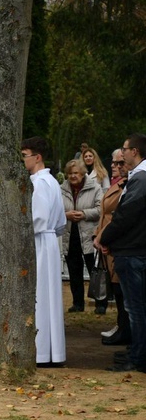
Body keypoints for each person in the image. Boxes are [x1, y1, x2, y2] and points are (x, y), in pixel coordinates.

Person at [97, 133, 146, 372]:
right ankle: (137, 351)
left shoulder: (141, 179)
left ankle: (138, 358)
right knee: (136, 307)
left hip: (134, 251)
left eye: (125, 150)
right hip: (131, 248)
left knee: (136, 309)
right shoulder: (137, 178)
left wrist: (105, 237)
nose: (121, 154)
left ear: (134, 151)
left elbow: (126, 215)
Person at [21, 137, 67, 366]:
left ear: (37, 157)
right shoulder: (52, 181)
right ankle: (52, 351)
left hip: (38, 241)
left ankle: (41, 352)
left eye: (25, 155)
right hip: (49, 241)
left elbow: (36, 219)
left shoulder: (38, 183)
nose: (23, 160)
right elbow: (60, 221)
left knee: (39, 295)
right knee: (48, 296)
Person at [94, 148, 130, 345]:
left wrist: (105, 238)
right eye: (113, 163)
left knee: (122, 290)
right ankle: (121, 326)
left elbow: (118, 217)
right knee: (117, 290)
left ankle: (125, 329)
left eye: (119, 163)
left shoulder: (127, 186)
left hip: (115, 243)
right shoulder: (116, 184)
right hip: (106, 241)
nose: (115, 167)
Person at [60, 159, 103, 313]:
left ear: (83, 173)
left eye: (76, 173)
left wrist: (84, 214)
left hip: (89, 236)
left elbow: (100, 210)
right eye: (70, 173)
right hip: (70, 235)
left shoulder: (95, 188)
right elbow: (55, 210)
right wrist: (66, 214)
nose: (73, 176)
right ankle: (77, 303)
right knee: (74, 271)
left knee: (95, 271)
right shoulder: (61, 189)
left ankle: (100, 304)